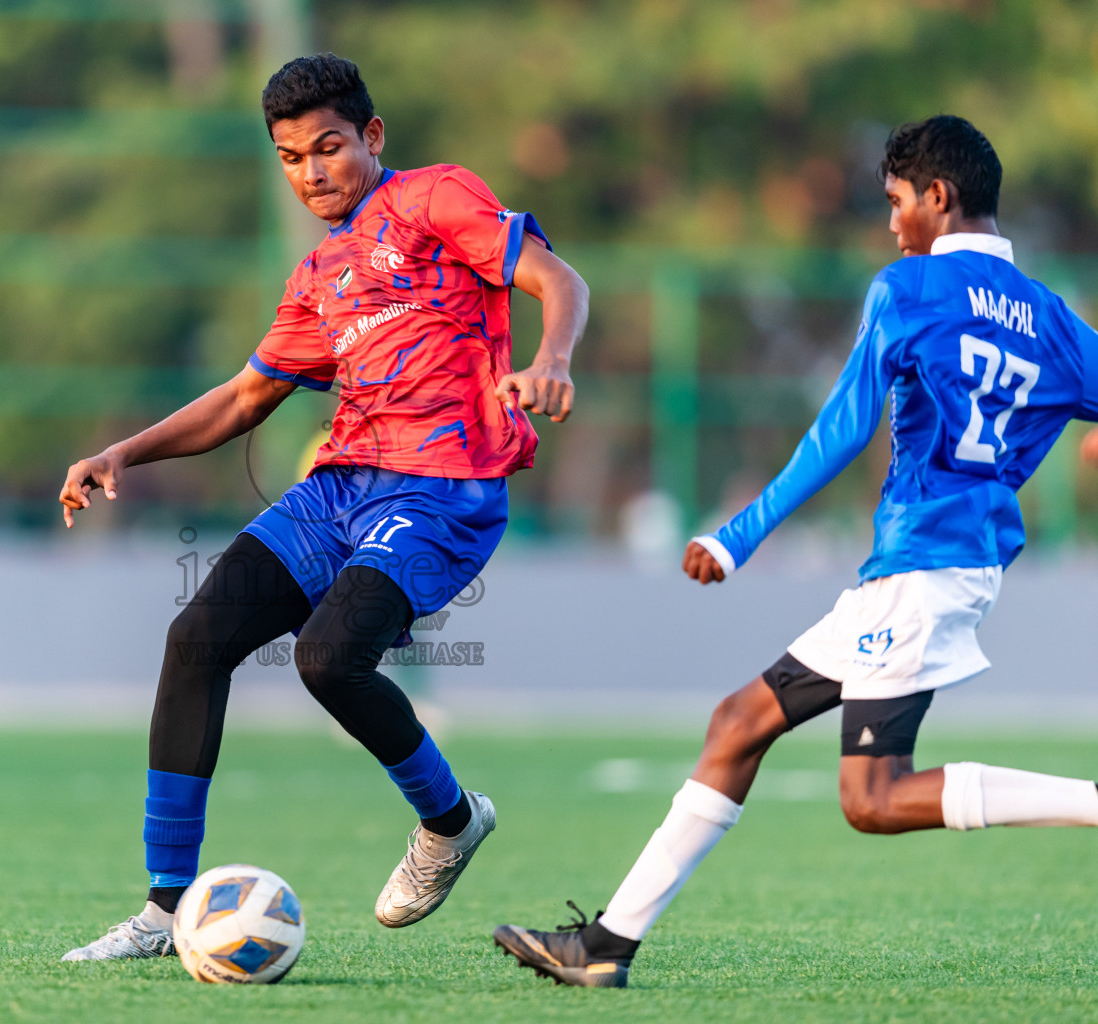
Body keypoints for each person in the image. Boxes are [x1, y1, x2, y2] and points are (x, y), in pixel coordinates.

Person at [495, 114, 1098, 988]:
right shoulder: (1052, 319)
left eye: (898, 203)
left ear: (940, 197)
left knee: (874, 799)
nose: (893, 225)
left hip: (923, 573)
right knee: (739, 724)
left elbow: (842, 430)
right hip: (940, 571)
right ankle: (604, 949)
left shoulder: (909, 289)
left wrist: (736, 536)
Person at [60, 53, 589, 961]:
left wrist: (553, 359)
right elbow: (241, 401)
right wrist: (122, 451)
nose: (313, 172)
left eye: (330, 148)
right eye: (292, 157)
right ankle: (161, 910)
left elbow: (559, 280)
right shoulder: (320, 275)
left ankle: (451, 821)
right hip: (340, 488)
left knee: (328, 660)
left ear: (371, 137)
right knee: (196, 641)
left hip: (443, 492)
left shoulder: (437, 199)